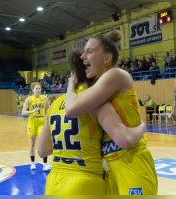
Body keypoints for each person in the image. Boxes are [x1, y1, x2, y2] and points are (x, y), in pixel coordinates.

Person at [38, 51, 146, 195]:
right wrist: (142, 127)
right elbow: (123, 139)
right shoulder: (96, 102)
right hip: (85, 180)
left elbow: (42, 151)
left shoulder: (54, 105)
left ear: (73, 75)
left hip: (53, 182)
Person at [65, 31, 158, 195]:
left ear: (106, 58)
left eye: (89, 51)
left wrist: (70, 86)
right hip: (109, 163)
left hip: (131, 159)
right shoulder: (96, 88)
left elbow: (71, 109)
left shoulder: (115, 75)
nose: (82, 56)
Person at [21, 82, 50, 171]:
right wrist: (32, 111)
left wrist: (48, 118)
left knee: (43, 142)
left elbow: (49, 109)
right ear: (33, 90)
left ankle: (45, 164)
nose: (38, 90)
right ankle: (32, 163)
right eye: (36, 88)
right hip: (32, 123)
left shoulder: (44, 99)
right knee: (32, 143)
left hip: (42, 123)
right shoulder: (29, 100)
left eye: (39, 88)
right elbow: (23, 113)